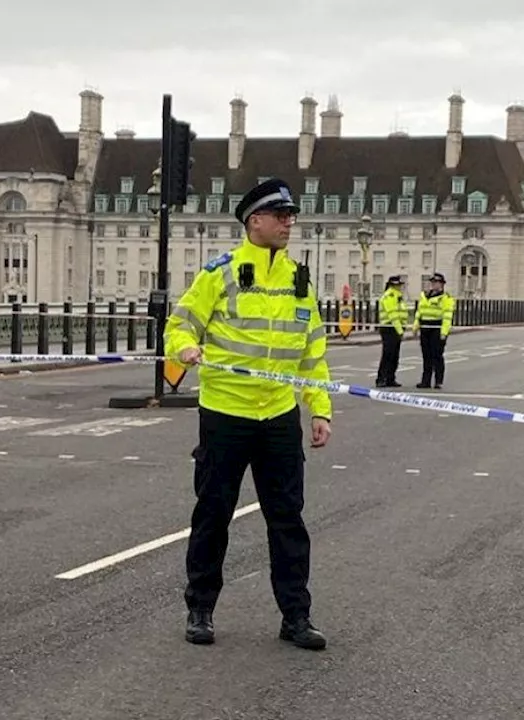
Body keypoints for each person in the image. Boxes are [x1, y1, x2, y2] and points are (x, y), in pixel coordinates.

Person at [165, 177, 332, 651]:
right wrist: (186, 347)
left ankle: (296, 616)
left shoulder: (299, 280)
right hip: (226, 412)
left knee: (288, 519)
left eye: (291, 216)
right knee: (214, 514)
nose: (288, 223)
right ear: (253, 221)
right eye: (280, 216)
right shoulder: (219, 273)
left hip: (278, 416)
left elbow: (312, 355)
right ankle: (200, 608)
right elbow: (180, 325)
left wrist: (320, 410)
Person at [413, 272, 455, 389]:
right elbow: (419, 312)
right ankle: (425, 381)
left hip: (437, 327)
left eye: (436, 283)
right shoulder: (424, 295)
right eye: (432, 282)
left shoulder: (446, 298)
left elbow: (447, 316)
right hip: (425, 327)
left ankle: (438, 381)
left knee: (437, 355)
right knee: (426, 356)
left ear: (442, 284)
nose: (434, 285)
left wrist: (444, 332)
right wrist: (416, 326)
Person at [374, 275, 407, 388]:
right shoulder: (390, 296)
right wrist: (400, 330)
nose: (400, 287)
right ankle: (381, 378)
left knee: (394, 355)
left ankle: (390, 378)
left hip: (396, 327)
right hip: (389, 328)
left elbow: (401, 313)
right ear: (393, 285)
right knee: (388, 354)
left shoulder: (398, 296)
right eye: (398, 285)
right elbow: (392, 314)